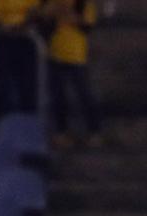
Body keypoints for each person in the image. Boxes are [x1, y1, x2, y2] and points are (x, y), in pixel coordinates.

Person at [42, 0, 103, 147]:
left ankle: (94, 132)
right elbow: (43, 21)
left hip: (76, 55)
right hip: (55, 53)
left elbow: (87, 26)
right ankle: (61, 132)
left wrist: (71, 16)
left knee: (85, 94)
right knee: (58, 96)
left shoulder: (83, 3)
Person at [0, 0, 41, 112]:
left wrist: (21, 27)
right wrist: (3, 28)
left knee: (27, 84)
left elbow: (34, 11)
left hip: (25, 38)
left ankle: (28, 117)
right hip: (1, 37)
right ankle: (3, 117)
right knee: (1, 83)